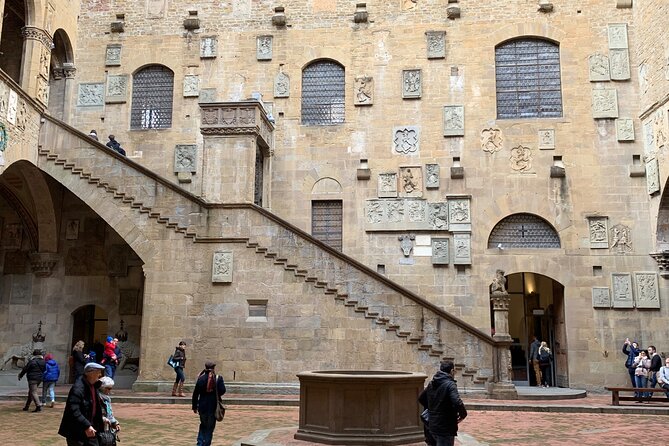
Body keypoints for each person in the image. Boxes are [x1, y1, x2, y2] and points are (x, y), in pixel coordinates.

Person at [418, 361, 467, 446]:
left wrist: (432, 409)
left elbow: (421, 398)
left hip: (431, 425)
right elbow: (457, 402)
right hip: (445, 427)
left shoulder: (432, 383)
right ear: (452, 371)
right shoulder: (450, 384)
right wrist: (463, 414)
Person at [58, 362, 106, 445]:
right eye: (98, 372)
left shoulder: (93, 386)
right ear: (91, 373)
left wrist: (103, 419)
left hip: (91, 428)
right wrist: (86, 425)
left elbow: (94, 407)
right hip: (76, 430)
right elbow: (74, 410)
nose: (100, 375)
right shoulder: (78, 388)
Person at [192, 361, 226, 446]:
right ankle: (206, 444)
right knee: (210, 428)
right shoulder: (218, 378)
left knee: (203, 425)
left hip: (202, 406)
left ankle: (199, 443)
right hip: (213, 407)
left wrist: (194, 406)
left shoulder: (201, 378)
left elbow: (195, 393)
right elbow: (223, 390)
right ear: (214, 368)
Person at [98, 376, 121, 440]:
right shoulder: (97, 397)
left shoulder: (107, 398)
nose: (109, 390)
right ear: (102, 387)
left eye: (111, 388)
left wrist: (115, 423)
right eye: (108, 388)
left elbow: (109, 413)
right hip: (98, 425)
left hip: (107, 426)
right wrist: (103, 418)